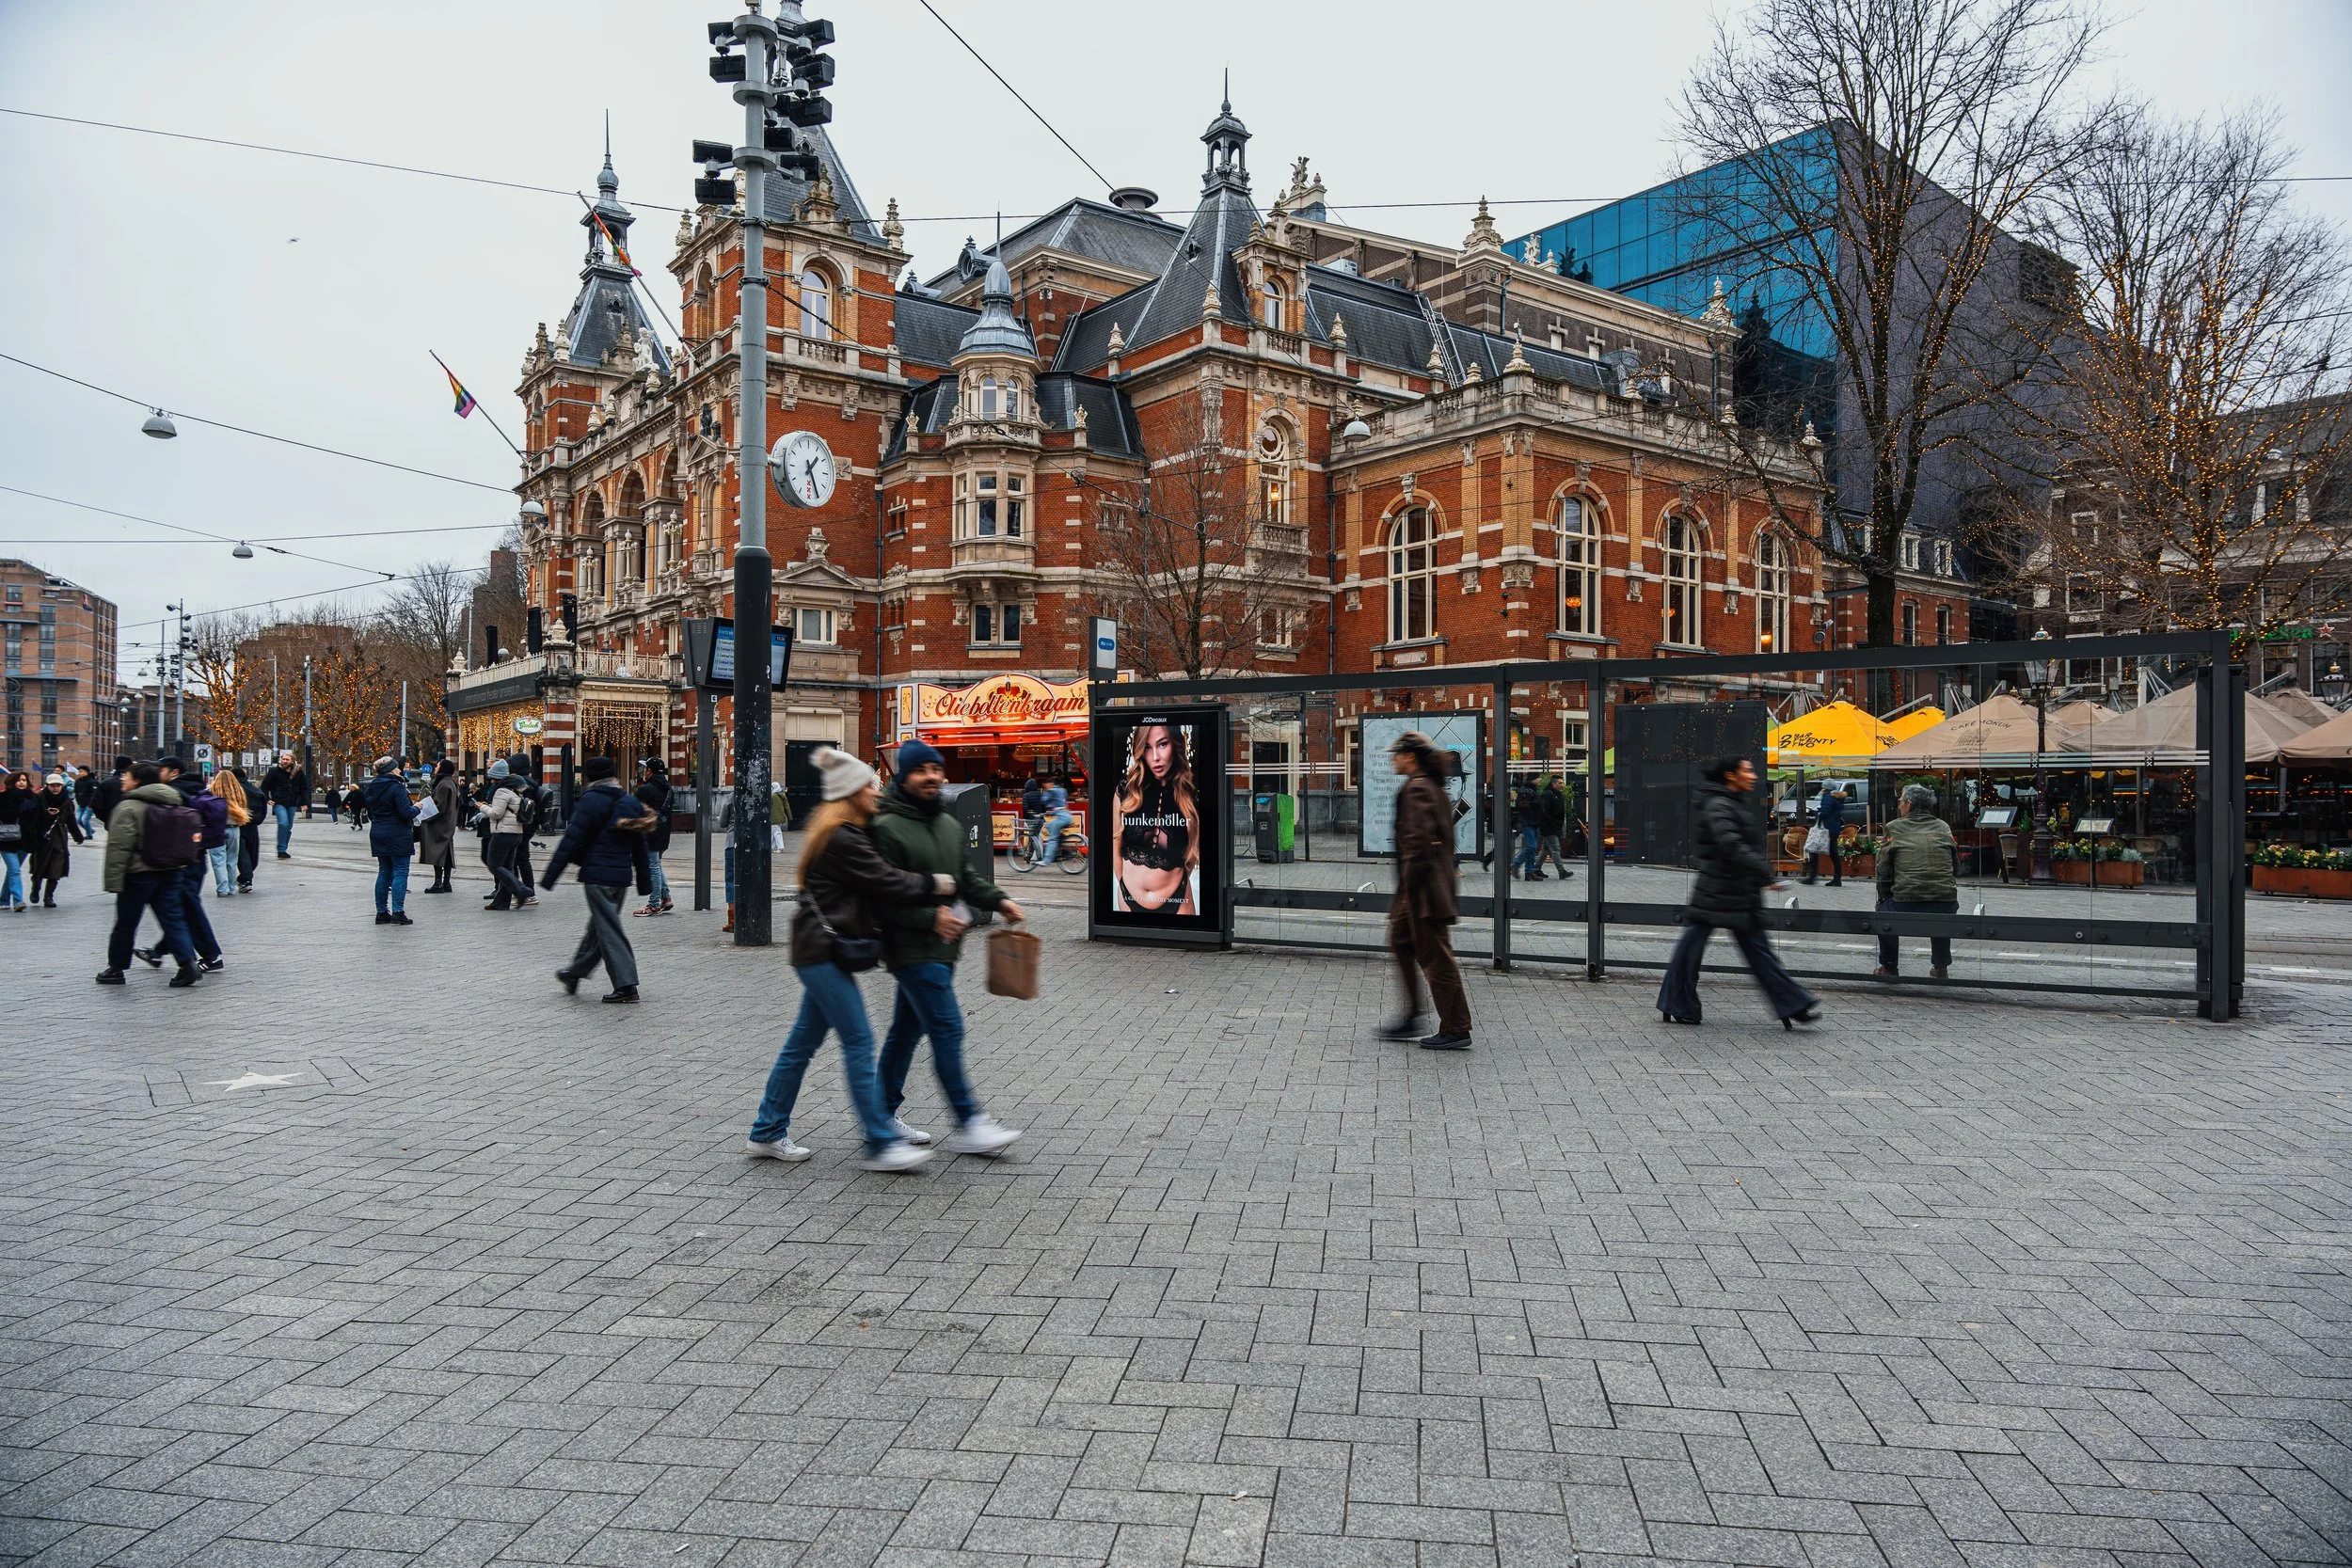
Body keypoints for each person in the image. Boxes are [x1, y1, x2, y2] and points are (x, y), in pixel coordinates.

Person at [748, 746, 951, 1172]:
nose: (877, 792)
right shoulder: (842, 839)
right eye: (870, 787)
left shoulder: (847, 832)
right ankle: (880, 1141)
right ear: (852, 793)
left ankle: (767, 1130)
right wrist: (935, 883)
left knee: (801, 1045)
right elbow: (887, 880)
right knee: (858, 1040)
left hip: (823, 950)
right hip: (822, 952)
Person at [871, 737, 1026, 1157]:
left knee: (905, 1032)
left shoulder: (946, 823)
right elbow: (882, 898)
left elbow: (964, 878)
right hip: (911, 947)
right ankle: (969, 1121)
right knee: (948, 1027)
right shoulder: (886, 827)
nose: (931, 777)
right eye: (921, 770)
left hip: (944, 948)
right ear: (904, 776)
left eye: (936, 769)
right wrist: (930, 918)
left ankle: (880, 1115)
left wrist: (999, 899)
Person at [1657, 756, 1820, 1029]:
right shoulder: (1719, 805)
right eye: (1747, 771)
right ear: (1731, 776)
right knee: (1704, 951)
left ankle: (1792, 1003)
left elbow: (1734, 845)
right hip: (1719, 890)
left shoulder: (1726, 803)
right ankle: (1792, 1003)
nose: (1753, 776)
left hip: (1732, 891)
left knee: (1740, 951)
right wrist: (1764, 872)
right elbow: (1730, 844)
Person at [1381, 732, 1472, 1051]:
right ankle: (1412, 1016)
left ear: (1410, 756)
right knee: (1401, 943)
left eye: (1397, 755)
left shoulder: (1418, 788)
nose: (1393, 760)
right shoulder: (1431, 786)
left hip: (1422, 890)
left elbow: (1418, 846)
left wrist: (1408, 891)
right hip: (1424, 886)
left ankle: (1456, 1027)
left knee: (1437, 958)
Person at [541, 755, 652, 1002]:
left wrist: (550, 877)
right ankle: (574, 973)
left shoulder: (590, 800)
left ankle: (626, 985)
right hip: (621, 878)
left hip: (597, 877)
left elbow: (571, 840)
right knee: (598, 928)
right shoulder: (629, 801)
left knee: (608, 929)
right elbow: (640, 845)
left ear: (589, 776)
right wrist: (645, 881)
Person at [98, 762, 200, 987]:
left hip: (139, 874)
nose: (122, 779)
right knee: (173, 920)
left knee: (126, 923)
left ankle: (116, 968)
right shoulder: (174, 800)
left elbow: (119, 847)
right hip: (171, 871)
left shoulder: (128, 807)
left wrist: (113, 881)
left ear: (137, 781)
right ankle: (188, 964)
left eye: (126, 776)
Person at [136, 757, 227, 974]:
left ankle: (211, 956)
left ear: (174, 772)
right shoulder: (195, 789)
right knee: (180, 908)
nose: (158, 773)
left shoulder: (175, 793)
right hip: (194, 857)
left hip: (182, 860)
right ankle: (158, 952)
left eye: (161, 769)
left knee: (187, 908)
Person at [1108, 724, 1199, 913]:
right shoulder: (1127, 790)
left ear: (1175, 744)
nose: (1155, 757)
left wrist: (1181, 881)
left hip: (1178, 897)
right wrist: (1122, 883)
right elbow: (1116, 843)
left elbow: (1193, 850)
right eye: (1147, 747)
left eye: (1162, 744)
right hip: (1129, 896)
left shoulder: (1189, 794)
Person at [1876, 783, 1959, 981]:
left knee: (1883, 913)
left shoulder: (1894, 827)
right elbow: (1955, 866)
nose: (1899, 805)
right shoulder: (1943, 826)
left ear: (1909, 804)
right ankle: (1940, 967)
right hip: (1945, 902)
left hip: (1907, 902)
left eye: (1900, 801)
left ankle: (1889, 966)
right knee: (1941, 914)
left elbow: (1883, 871)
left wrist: (1884, 896)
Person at [360, 756, 419, 925]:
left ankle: (381, 912)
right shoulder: (396, 787)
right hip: (398, 833)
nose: (400, 770)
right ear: (392, 770)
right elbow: (406, 813)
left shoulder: (371, 787)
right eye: (397, 768)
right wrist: (417, 808)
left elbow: (371, 813)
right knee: (400, 871)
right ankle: (398, 912)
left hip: (378, 832)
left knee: (384, 871)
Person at [481, 760, 538, 911]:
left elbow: (496, 813)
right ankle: (502, 902)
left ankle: (521, 890)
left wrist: (482, 808)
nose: (491, 781)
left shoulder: (501, 791)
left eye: (493, 778)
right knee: (508, 866)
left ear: (498, 778)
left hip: (503, 833)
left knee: (494, 865)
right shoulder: (515, 790)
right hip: (516, 833)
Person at [25, 772, 86, 908]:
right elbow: (32, 819)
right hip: (42, 836)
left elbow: (71, 820)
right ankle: (36, 888)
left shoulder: (66, 801)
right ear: (47, 785)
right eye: (53, 785)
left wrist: (78, 836)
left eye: (58, 785)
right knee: (39, 865)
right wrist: (45, 815)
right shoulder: (39, 798)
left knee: (56, 867)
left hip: (59, 836)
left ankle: (49, 897)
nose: (55, 788)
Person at [632, 758, 675, 916]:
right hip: (664, 833)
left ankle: (654, 904)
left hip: (650, 832)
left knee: (653, 867)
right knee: (657, 865)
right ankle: (666, 897)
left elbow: (634, 810)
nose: (643, 771)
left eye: (645, 768)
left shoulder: (645, 790)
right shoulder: (669, 789)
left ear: (649, 771)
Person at [415, 758, 463, 895]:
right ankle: (446, 883)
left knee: (437, 852)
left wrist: (424, 815)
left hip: (439, 825)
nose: (435, 768)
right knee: (446, 854)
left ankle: (438, 883)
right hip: (448, 824)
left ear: (443, 768)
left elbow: (438, 807)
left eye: (437, 766)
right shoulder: (451, 783)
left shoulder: (443, 784)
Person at [203, 767, 250, 897]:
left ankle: (222, 888)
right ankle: (231, 887)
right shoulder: (239, 792)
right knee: (232, 860)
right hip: (234, 828)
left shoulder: (211, 792)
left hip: (216, 829)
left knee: (218, 860)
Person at [258, 752, 306, 858]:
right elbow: (264, 786)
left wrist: (304, 803)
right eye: (283, 759)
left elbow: (303, 788)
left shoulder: (298, 772)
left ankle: (283, 848)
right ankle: (281, 849)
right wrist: (267, 799)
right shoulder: (274, 771)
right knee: (283, 823)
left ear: (292, 761)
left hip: (292, 802)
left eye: (287, 760)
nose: (284, 761)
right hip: (279, 802)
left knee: (288, 826)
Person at [1803, 784, 1848, 886]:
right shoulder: (1837, 798)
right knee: (1833, 854)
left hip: (1825, 829)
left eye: (1823, 787)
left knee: (1813, 850)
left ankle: (1812, 877)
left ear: (1826, 788)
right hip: (1834, 828)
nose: (1822, 789)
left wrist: (1815, 813)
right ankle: (1837, 878)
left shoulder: (1827, 797)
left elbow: (1825, 813)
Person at [0, 770, 31, 911]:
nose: (22, 782)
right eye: (19, 780)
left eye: (24, 780)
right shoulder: (2, 798)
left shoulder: (32, 798)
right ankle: (18, 901)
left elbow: (38, 819)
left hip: (25, 841)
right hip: (6, 840)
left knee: (13, 871)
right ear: (12, 782)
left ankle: (3, 900)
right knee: (15, 870)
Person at [228, 764, 262, 891]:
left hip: (238, 824)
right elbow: (262, 808)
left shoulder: (233, 791)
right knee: (252, 853)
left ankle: (246, 879)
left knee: (242, 853)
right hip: (253, 825)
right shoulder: (255, 790)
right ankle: (245, 877)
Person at [1535, 776, 1575, 880]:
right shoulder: (1548, 795)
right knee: (1555, 849)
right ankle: (1562, 871)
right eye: (1560, 783)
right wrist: (1553, 824)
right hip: (1549, 828)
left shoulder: (1556, 794)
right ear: (1553, 784)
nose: (1562, 785)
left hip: (1552, 827)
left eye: (1562, 783)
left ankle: (1536, 868)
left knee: (1545, 848)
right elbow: (1545, 812)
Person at [1510, 776, 1543, 880]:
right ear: (1533, 779)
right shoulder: (1526, 790)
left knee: (1533, 848)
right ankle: (1516, 864)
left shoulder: (1533, 789)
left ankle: (1529, 871)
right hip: (1528, 822)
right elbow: (1523, 805)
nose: (1540, 779)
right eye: (1538, 777)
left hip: (1534, 822)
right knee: (1531, 846)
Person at [1038, 772, 1073, 866]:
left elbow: (1043, 800)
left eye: (1046, 785)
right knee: (1055, 831)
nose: (1046, 786)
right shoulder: (1062, 790)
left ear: (1051, 784)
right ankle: (1063, 849)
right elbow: (1060, 805)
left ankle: (1046, 860)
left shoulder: (1052, 791)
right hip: (1068, 816)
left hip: (1062, 817)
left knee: (1052, 837)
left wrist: (1046, 791)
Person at [90, 755, 133, 835]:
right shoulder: (134, 783)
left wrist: (107, 819)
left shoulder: (106, 783)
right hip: (130, 823)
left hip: (112, 823)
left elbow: (95, 805)